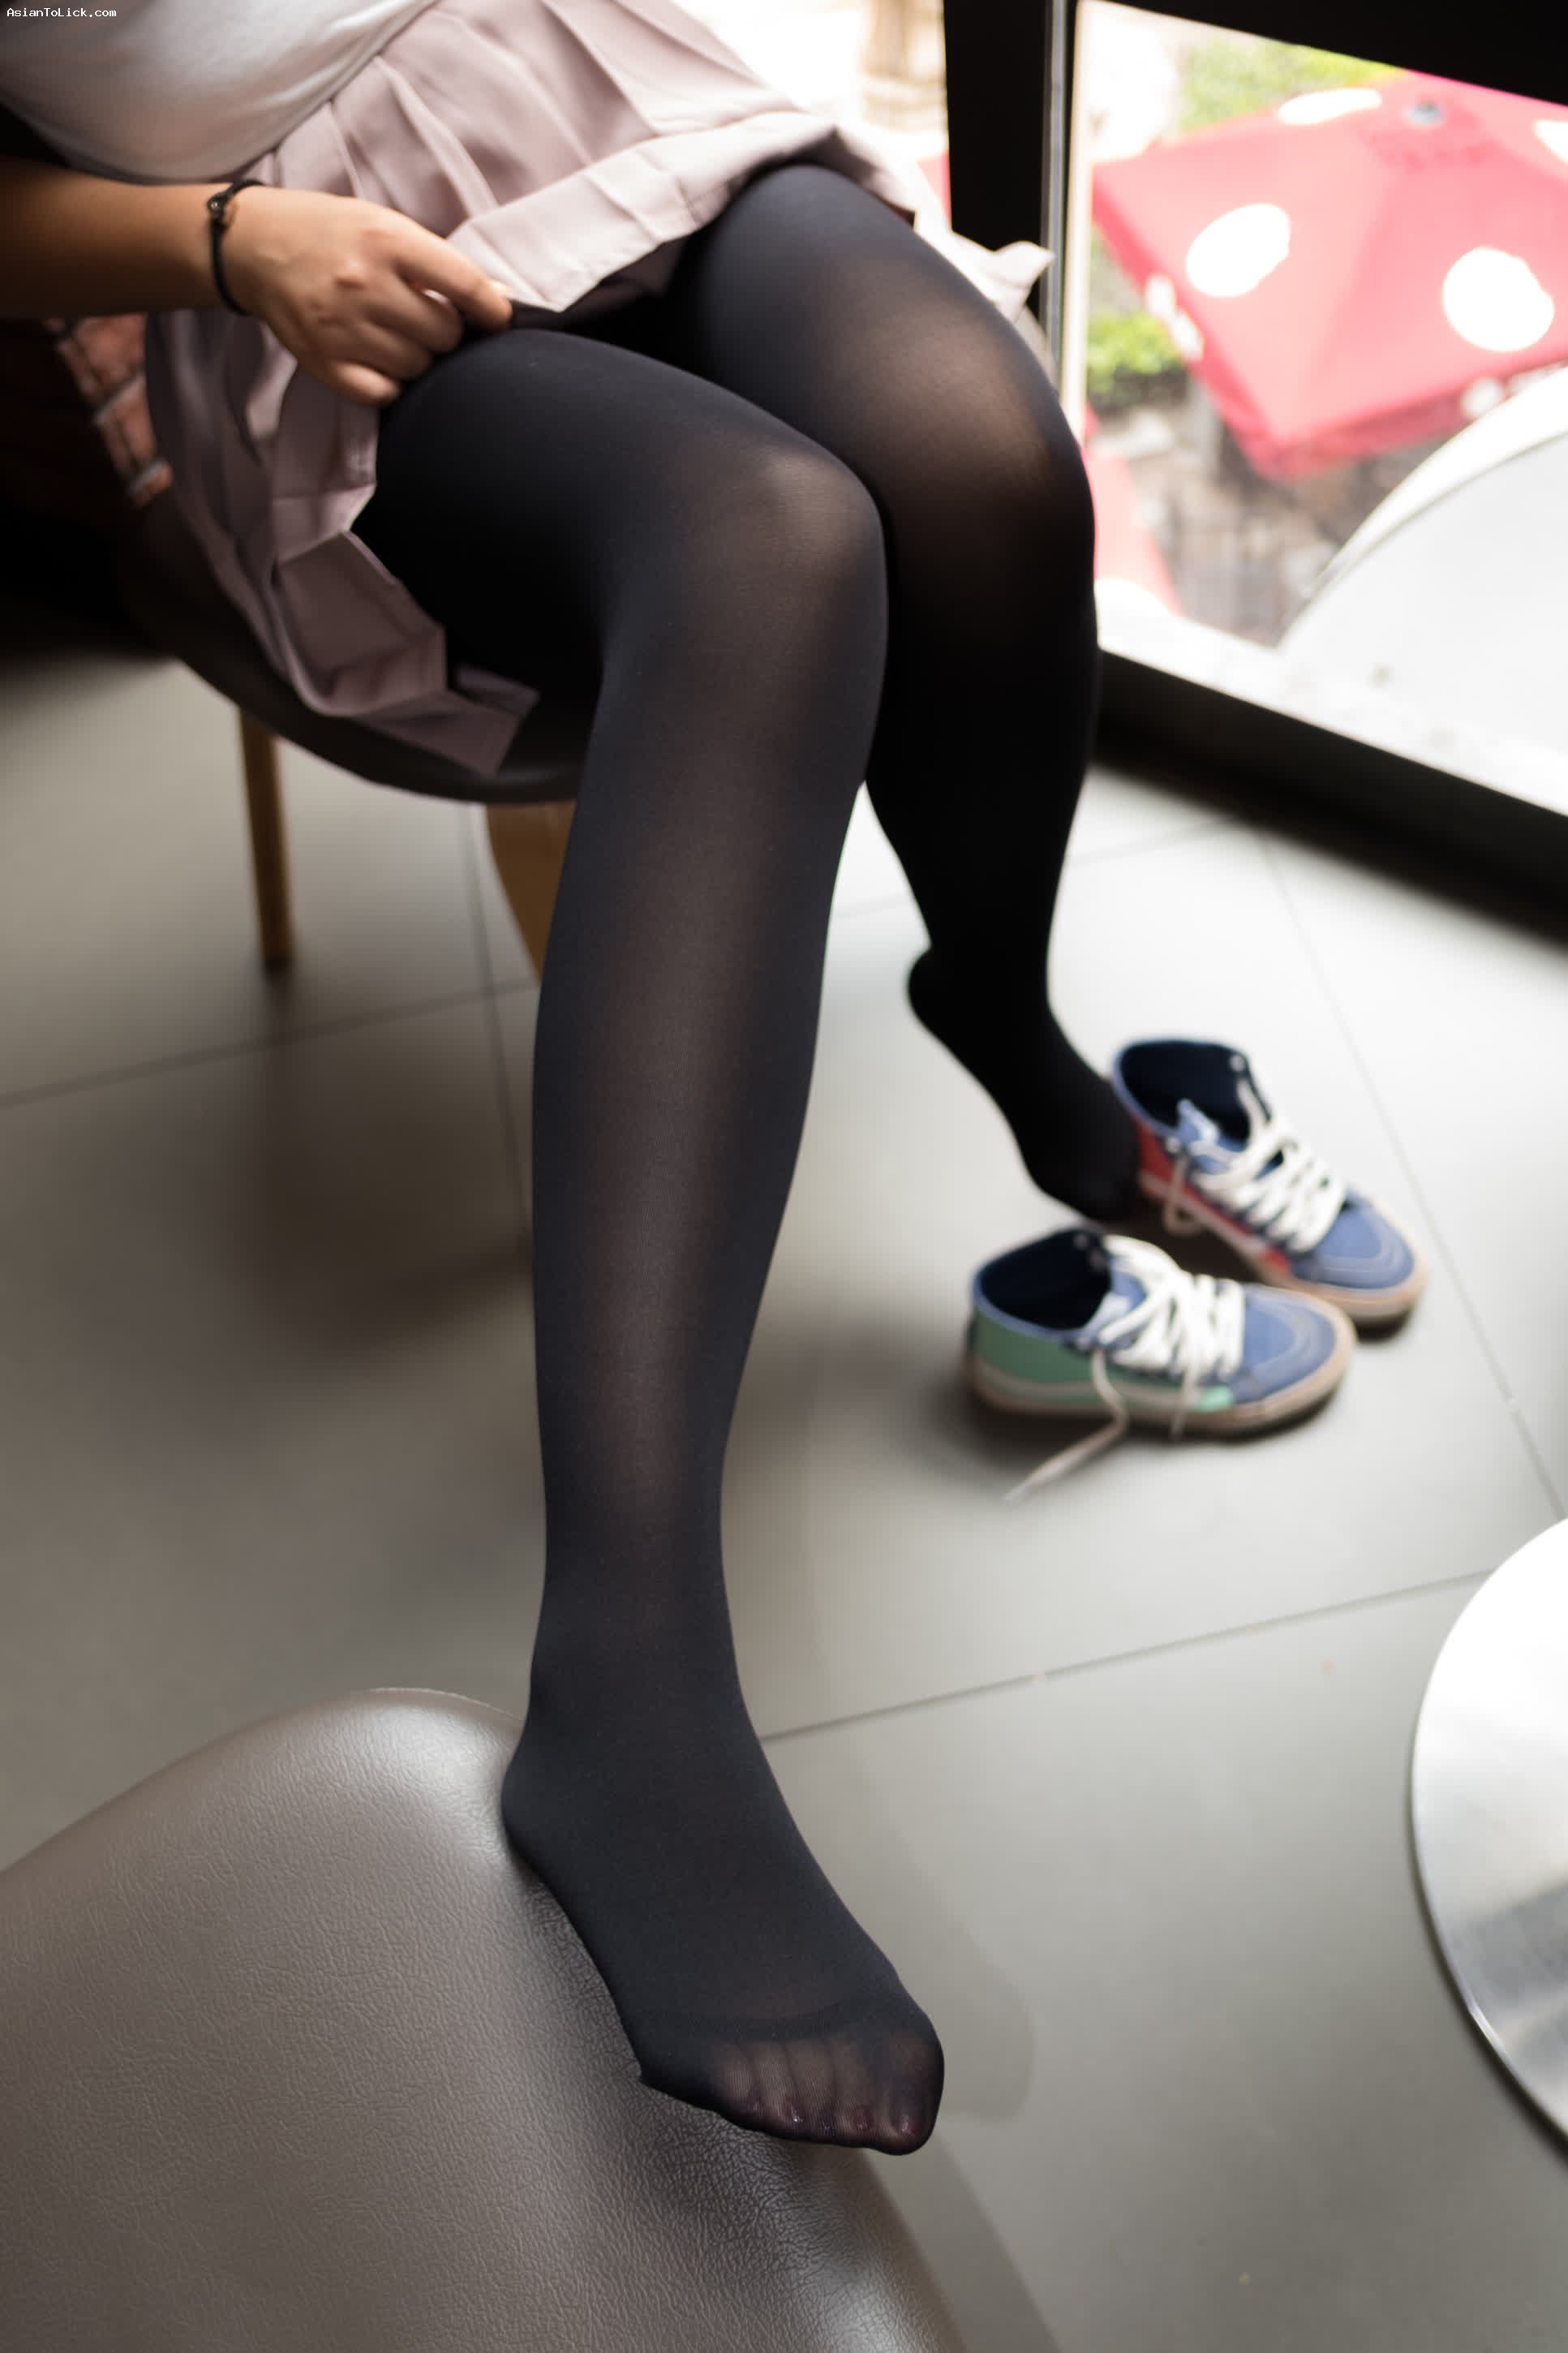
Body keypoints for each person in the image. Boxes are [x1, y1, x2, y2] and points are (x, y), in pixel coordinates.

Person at [1, 0, 1184, 2159]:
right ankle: (625, 1677)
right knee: (773, 541)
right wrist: (231, 246)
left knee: (982, 451)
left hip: (591, 71)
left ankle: (999, 1012)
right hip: (301, 250)